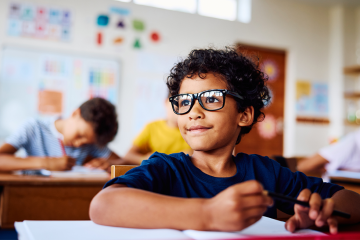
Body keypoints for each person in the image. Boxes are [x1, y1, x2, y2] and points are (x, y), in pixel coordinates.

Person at [90, 47, 360, 234]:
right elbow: (103, 205)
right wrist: (208, 214)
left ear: (244, 115)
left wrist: (323, 212)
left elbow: (352, 202)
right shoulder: (166, 168)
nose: (193, 112)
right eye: (184, 102)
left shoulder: (266, 173)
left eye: (211, 99)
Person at [0, 97, 123, 172]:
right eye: (79, 135)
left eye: (86, 142)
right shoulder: (34, 128)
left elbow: (123, 162)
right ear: (75, 113)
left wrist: (111, 164)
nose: (79, 144)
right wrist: (46, 163)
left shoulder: (90, 142)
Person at [124, 92, 192, 165]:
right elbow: (128, 156)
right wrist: (145, 159)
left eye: (185, 106)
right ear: (166, 102)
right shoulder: (152, 128)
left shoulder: (193, 131)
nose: (179, 113)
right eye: (176, 106)